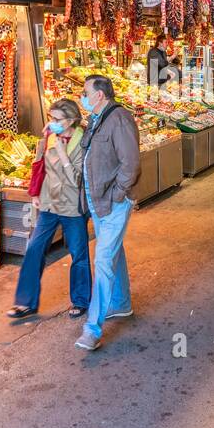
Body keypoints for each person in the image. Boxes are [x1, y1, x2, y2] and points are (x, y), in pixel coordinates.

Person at [7, 99, 90, 319]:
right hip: (48, 204)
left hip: (72, 207)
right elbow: (38, 165)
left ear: (71, 120)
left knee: (79, 254)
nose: (52, 123)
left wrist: (63, 154)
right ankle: (25, 302)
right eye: (51, 118)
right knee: (34, 249)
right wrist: (35, 192)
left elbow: (77, 180)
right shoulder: (49, 138)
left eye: (57, 119)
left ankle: (81, 300)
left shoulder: (84, 142)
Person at [76, 75, 141, 352]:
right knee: (113, 252)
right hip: (98, 202)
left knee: (102, 259)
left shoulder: (119, 119)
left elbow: (131, 163)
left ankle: (92, 329)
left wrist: (118, 195)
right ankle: (121, 304)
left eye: (85, 92)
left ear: (100, 94)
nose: (83, 96)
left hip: (112, 202)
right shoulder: (96, 119)